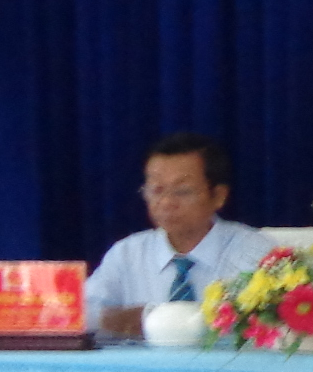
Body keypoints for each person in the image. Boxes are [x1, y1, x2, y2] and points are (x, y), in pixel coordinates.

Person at [85, 133, 270, 337]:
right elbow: (78, 314)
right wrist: (117, 319)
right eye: (156, 190)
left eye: (182, 191)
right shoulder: (127, 254)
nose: (166, 203)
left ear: (218, 196)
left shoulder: (256, 254)